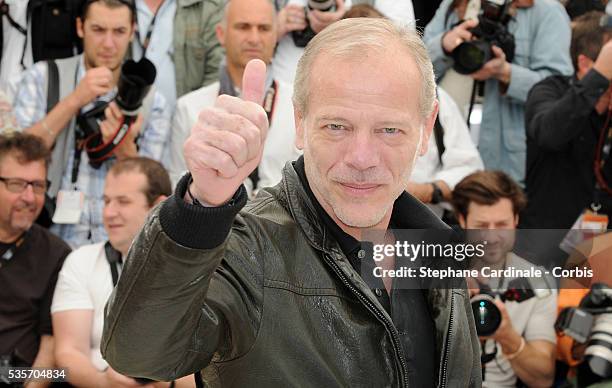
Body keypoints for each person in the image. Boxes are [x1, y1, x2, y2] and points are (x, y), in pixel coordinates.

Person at [101, 18, 481, 387]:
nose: (362, 157)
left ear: (426, 129)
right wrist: (201, 208)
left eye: (389, 130)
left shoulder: (440, 251)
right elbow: (139, 354)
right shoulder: (249, 244)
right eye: (337, 126)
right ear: (299, 122)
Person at [9, 0, 171, 248]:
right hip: (49, 239)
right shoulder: (43, 77)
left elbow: (156, 195)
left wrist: (124, 147)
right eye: (98, 30)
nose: (108, 44)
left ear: (132, 31)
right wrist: (74, 100)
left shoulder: (151, 101)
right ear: (80, 27)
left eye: (118, 31)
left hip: (118, 244)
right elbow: (18, 158)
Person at [51, 157, 195, 388]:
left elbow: (215, 368)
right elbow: (67, 354)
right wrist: (104, 382)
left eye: (122, 202)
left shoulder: (196, 269)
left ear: (158, 206)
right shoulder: (81, 261)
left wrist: (166, 384)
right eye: (106, 201)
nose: (108, 212)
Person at [424, 0, 573, 183]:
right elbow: (415, 67)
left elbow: (559, 90)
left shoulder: (545, 12)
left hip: (505, 160)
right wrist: (443, 44)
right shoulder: (453, 5)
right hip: (444, 153)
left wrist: (505, 73)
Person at [169, 0, 300, 191]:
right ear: (221, 34)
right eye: (243, 27)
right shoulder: (189, 108)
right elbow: (177, 187)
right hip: (214, 219)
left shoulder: (298, 104)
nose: (254, 38)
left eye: (263, 28)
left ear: (275, 35)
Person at [452, 170, 557, 388]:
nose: (491, 237)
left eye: (502, 225)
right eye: (481, 226)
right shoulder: (433, 267)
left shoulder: (537, 281)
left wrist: (507, 336)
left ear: (516, 219)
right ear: (462, 220)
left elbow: (543, 378)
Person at [522, 11, 612, 229]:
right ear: (585, 64)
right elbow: (549, 135)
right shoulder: (549, 90)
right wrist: (598, 78)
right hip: (546, 240)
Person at [0, 133, 71, 377]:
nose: (30, 198)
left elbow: (51, 346)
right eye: (17, 184)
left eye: (38, 186)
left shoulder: (56, 255)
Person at [131, 0, 226, 106]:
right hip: (119, 117)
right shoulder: (113, 4)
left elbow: (217, 73)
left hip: (188, 119)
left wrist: (191, 116)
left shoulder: (209, 6)